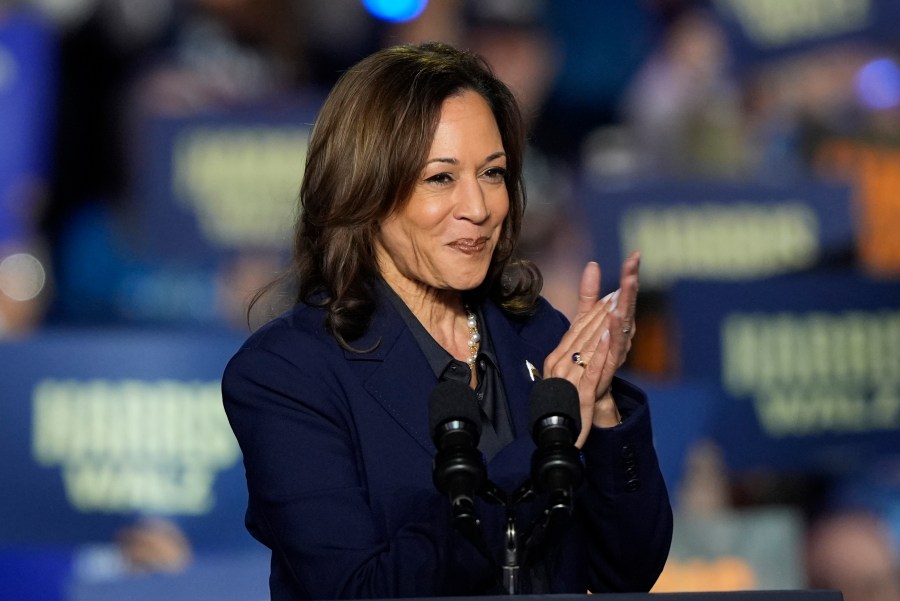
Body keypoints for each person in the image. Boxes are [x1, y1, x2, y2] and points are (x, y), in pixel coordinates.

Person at [222, 41, 672, 599]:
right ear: (366, 187)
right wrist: (546, 440)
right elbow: (355, 590)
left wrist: (600, 407)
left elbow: (626, 571)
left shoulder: (538, 336)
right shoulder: (287, 373)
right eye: (441, 178)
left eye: (492, 173)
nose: (479, 207)